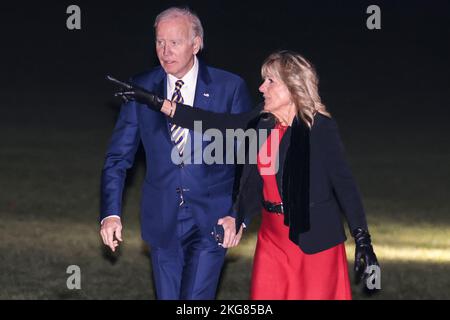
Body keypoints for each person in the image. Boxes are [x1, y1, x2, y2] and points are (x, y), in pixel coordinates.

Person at [113, 50, 380, 300]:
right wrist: (158, 103)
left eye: (270, 81)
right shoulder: (262, 122)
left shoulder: (319, 129)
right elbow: (215, 123)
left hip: (313, 242)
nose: (262, 88)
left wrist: (362, 239)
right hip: (272, 239)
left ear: (292, 86)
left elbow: (345, 184)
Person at [100, 7, 252, 300]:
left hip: (214, 219)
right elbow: (118, 157)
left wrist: (239, 215)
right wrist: (110, 214)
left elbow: (249, 157)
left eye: (175, 42)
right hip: (162, 218)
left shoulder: (229, 88)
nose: (164, 51)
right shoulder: (141, 87)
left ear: (196, 44)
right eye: (159, 41)